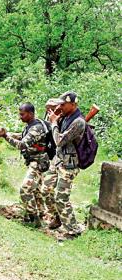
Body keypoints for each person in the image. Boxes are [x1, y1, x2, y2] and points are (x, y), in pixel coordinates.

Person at [0, 103, 50, 227]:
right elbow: (23, 136)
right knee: (35, 191)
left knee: (25, 189)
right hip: (36, 162)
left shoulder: (36, 128)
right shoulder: (31, 126)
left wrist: (5, 136)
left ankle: (34, 218)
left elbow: (22, 144)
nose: (20, 117)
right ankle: (39, 215)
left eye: (22, 114)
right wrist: (7, 133)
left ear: (30, 114)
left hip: (38, 163)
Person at [47, 92, 85, 240]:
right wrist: (55, 114)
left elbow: (59, 141)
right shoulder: (64, 116)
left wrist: (54, 123)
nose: (59, 107)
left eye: (63, 104)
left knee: (61, 198)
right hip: (58, 161)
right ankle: (58, 217)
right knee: (46, 189)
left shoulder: (78, 122)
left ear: (73, 105)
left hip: (69, 165)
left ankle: (73, 230)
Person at [40, 98, 62, 229]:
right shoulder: (48, 122)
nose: (50, 112)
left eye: (53, 109)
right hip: (53, 160)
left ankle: (68, 223)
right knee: (46, 190)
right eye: (48, 110)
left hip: (65, 161)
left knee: (61, 194)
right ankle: (56, 216)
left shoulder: (66, 121)